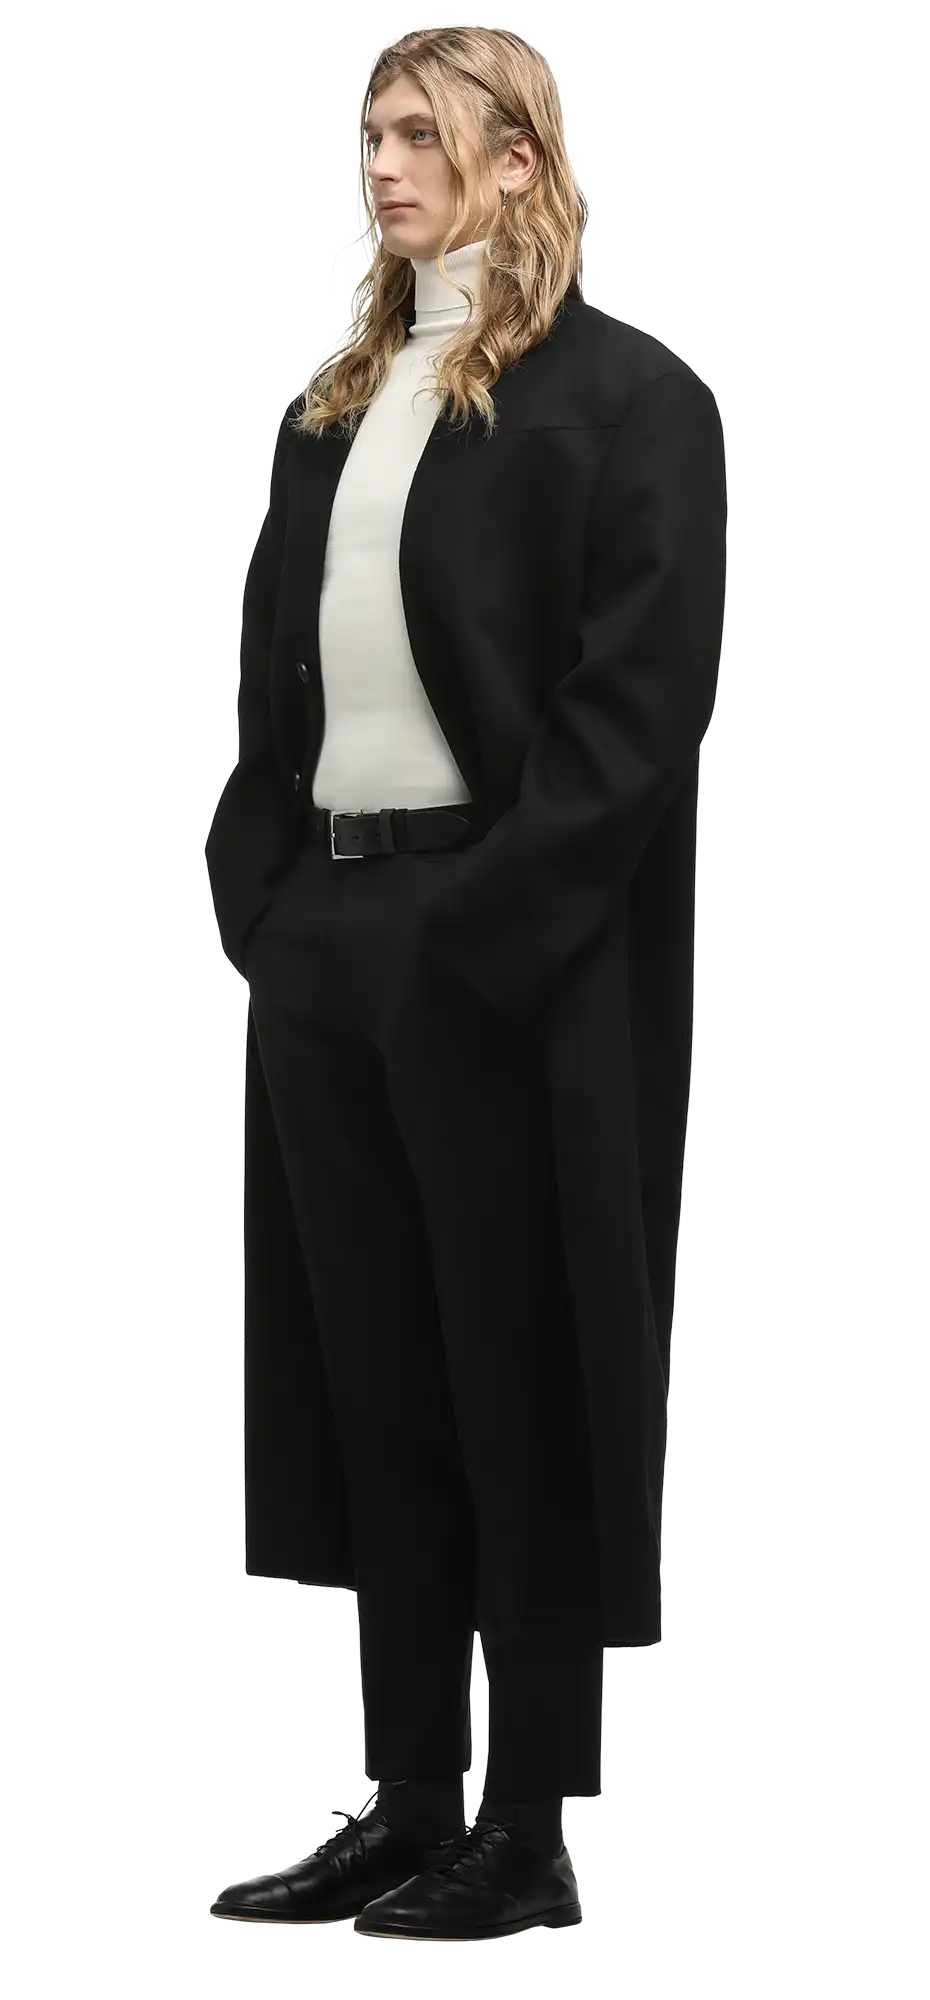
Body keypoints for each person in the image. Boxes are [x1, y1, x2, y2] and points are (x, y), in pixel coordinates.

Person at [205, 25, 727, 1944]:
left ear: (520, 161)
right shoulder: (335, 408)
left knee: (521, 1375)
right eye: (370, 132)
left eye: (422, 132)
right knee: (375, 1378)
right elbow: (273, 689)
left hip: (505, 953)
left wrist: (478, 936)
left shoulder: (629, 400)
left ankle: (527, 1834)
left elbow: (635, 716)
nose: (383, 165)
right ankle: (411, 1796)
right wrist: (266, 902)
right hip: (334, 943)